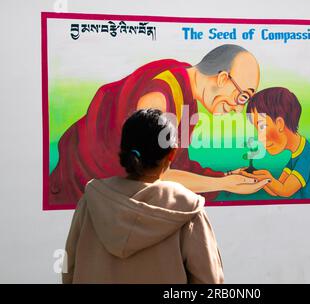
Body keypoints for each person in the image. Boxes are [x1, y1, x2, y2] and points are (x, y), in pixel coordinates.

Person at [49, 44, 263, 206]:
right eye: (243, 97)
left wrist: (223, 176)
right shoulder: (159, 97)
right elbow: (154, 174)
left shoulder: (186, 92)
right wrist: (223, 185)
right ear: (223, 79)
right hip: (88, 193)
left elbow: (177, 164)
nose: (237, 108)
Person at [63, 109, 225, 283]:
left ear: (124, 151)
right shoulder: (188, 210)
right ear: (172, 153)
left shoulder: (91, 201)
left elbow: (68, 269)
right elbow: (210, 280)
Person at [234, 87, 310, 198]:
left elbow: (285, 190)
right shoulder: (297, 153)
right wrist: (256, 178)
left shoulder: (307, 157)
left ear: (280, 124)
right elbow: (276, 190)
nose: (260, 138)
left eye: (262, 126)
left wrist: (266, 178)